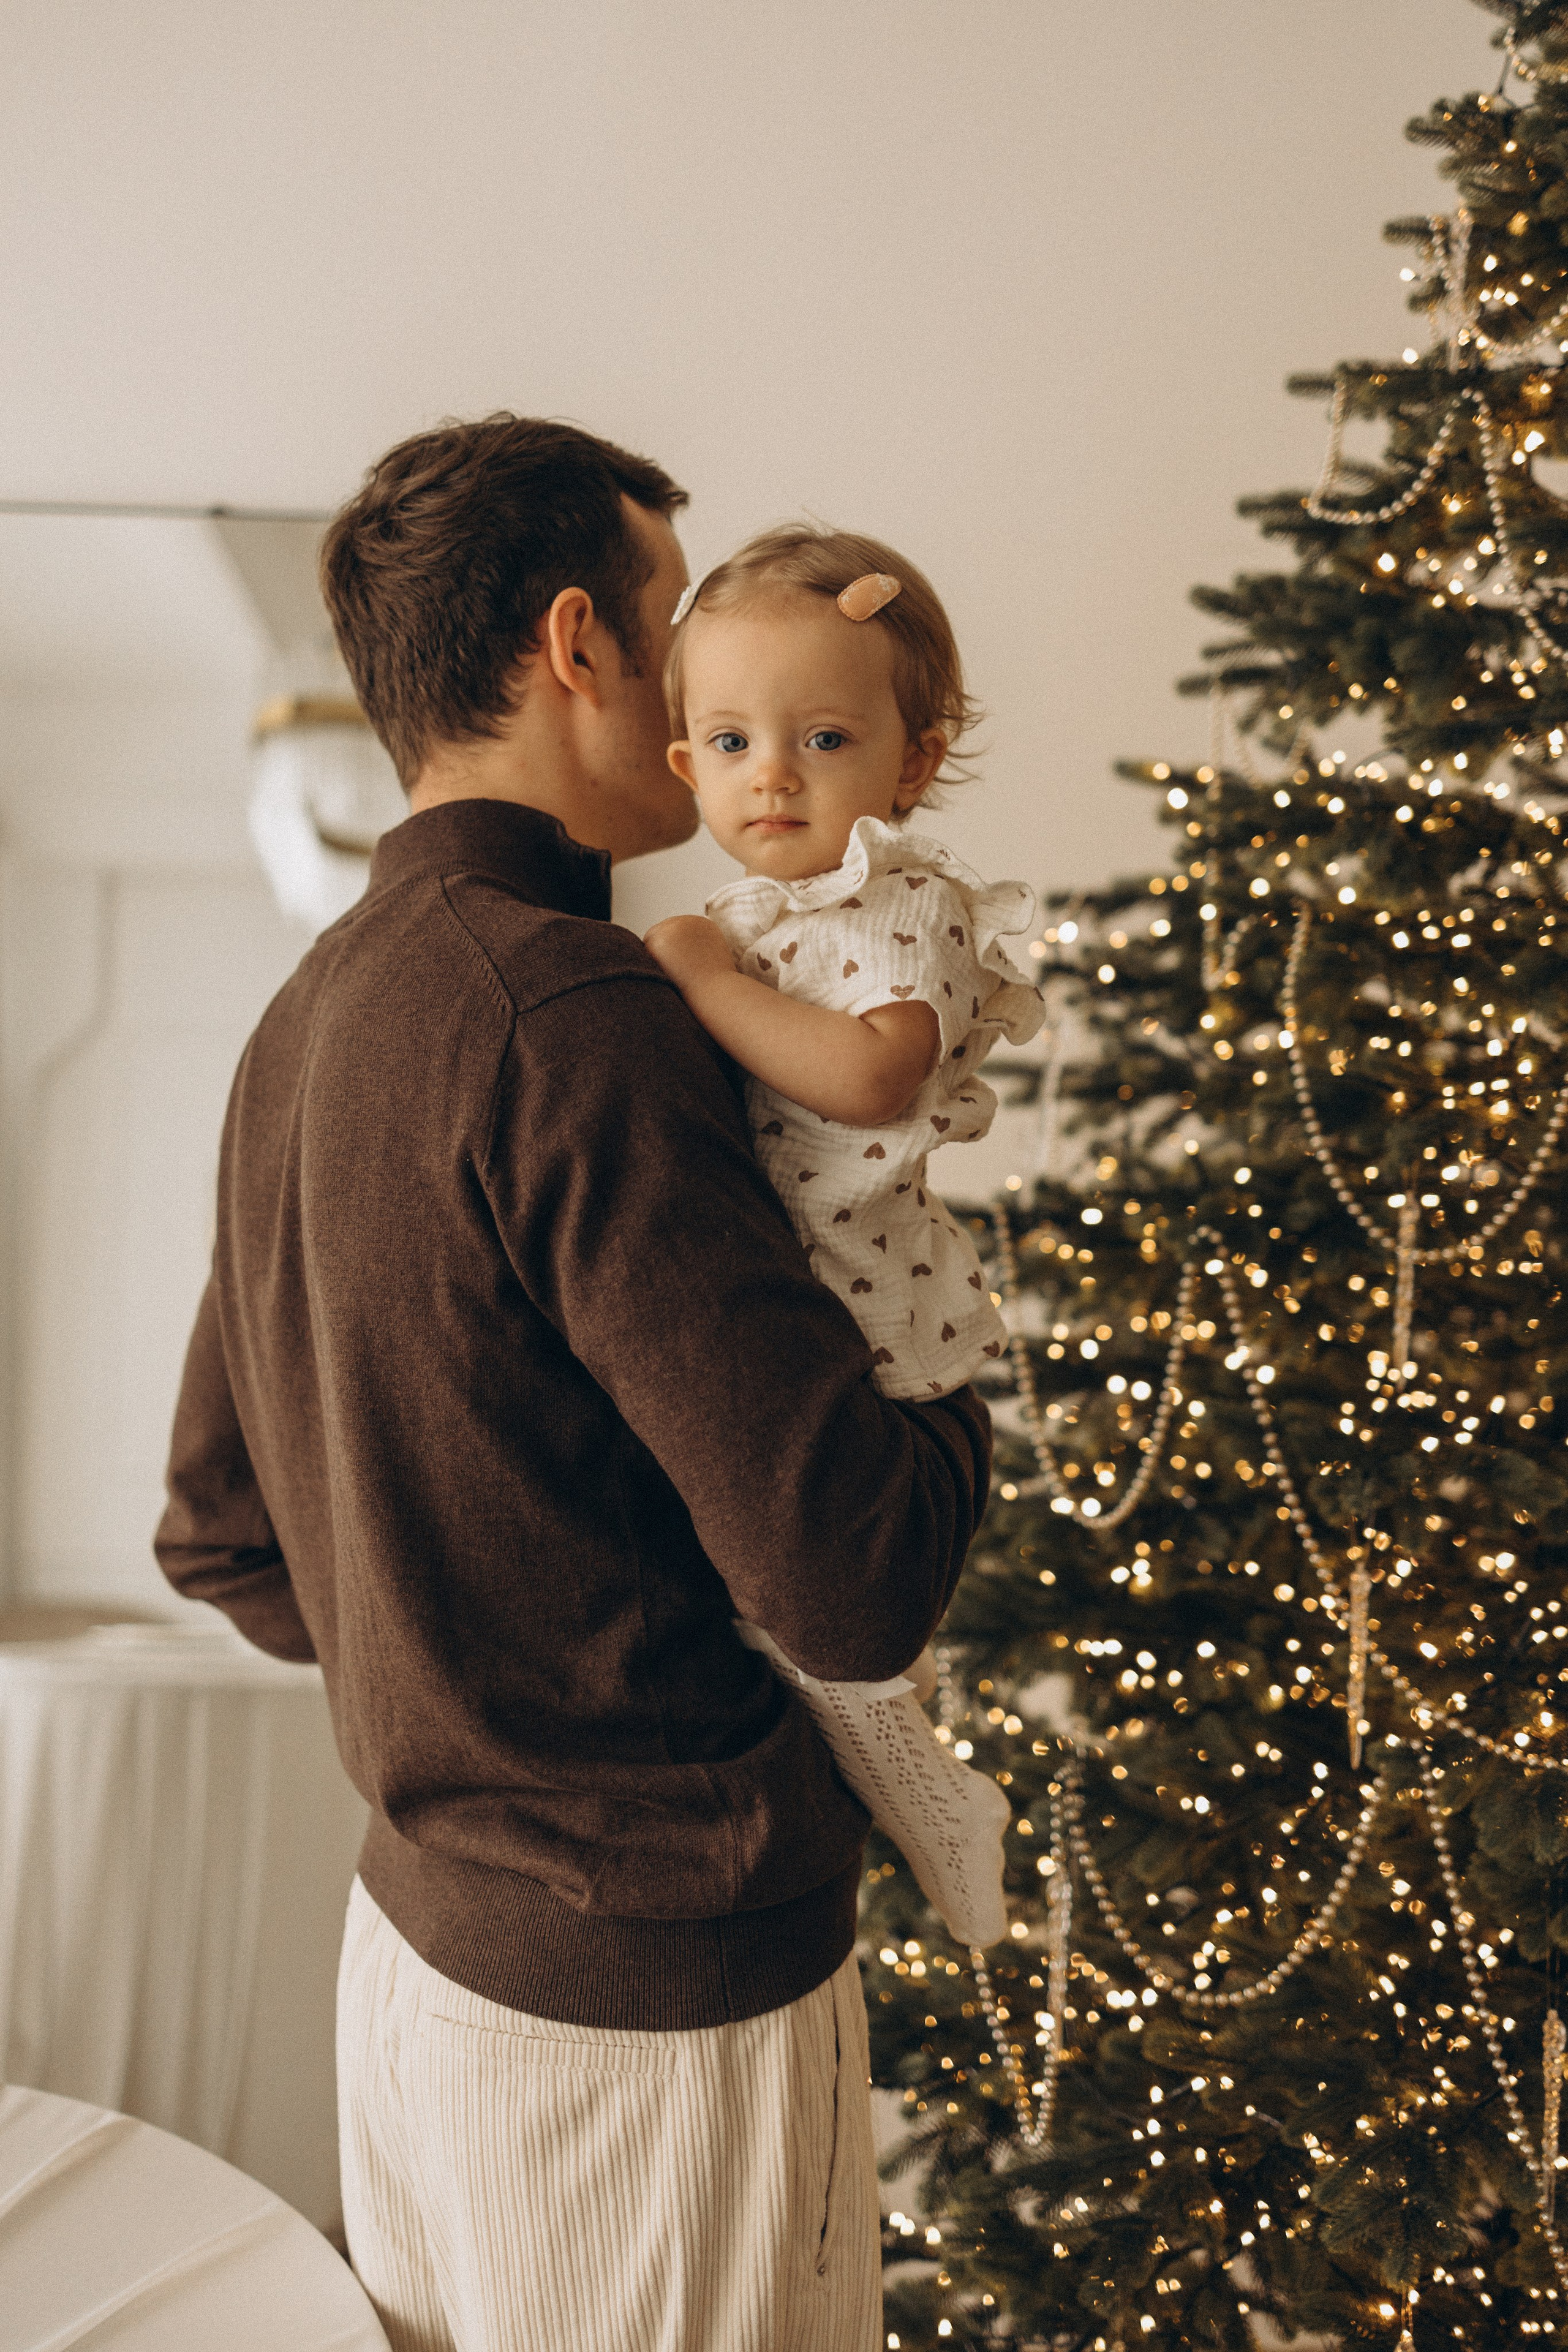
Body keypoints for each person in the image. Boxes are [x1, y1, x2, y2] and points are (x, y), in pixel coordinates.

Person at [153, 416, 992, 2352]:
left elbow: (217, 1535)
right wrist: (960, 1389)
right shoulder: (575, 1010)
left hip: (418, 1961)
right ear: (577, 647)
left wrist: (461, 1684)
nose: (713, 690)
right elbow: (852, 1573)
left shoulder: (304, 1017)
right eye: (671, 622)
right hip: (648, 1999)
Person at [644, 524, 1042, 1953]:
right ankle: (911, 1795)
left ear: (910, 763)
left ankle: (925, 1802)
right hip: (791, 1310)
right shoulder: (758, 916)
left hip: (876, 1340)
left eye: (822, 736)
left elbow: (872, 1075)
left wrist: (695, 976)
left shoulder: (904, 905)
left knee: (816, 1613)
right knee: (763, 1627)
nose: (775, 775)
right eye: (734, 739)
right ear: (685, 764)